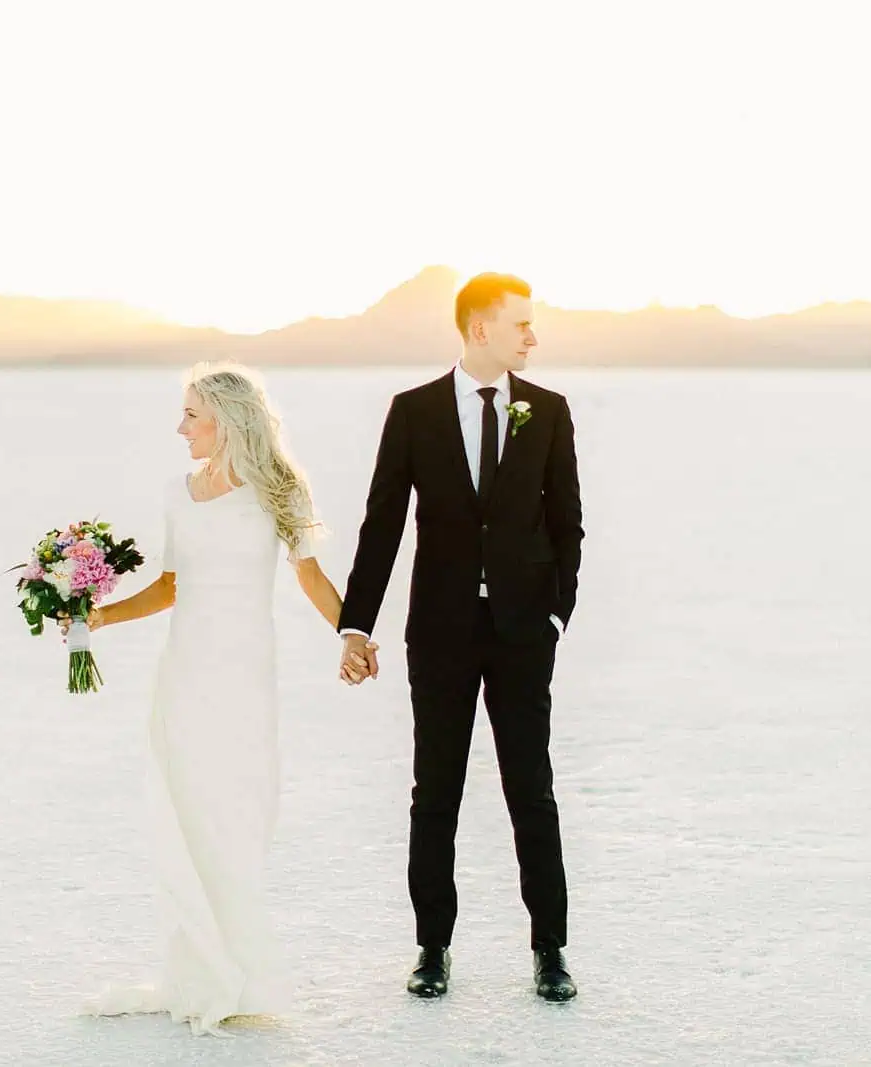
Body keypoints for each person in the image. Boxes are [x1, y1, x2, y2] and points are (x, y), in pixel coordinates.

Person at [74, 362, 357, 1034]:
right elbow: (170, 586)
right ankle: (199, 964)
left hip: (244, 673)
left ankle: (242, 966)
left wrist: (352, 634)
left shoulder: (278, 491)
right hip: (186, 672)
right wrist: (96, 618)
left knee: (236, 813)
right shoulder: (178, 493)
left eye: (191, 415)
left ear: (226, 420)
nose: (181, 428)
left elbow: (311, 577)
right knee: (184, 810)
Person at [338, 272, 583, 1002]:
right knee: (434, 792)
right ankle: (432, 948)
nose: (532, 337)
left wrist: (554, 613)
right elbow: (382, 523)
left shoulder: (548, 411)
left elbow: (566, 522)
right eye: (521, 325)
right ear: (481, 329)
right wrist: (357, 622)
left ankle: (550, 949)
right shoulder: (412, 412)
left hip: (520, 633)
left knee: (529, 790)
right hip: (440, 631)